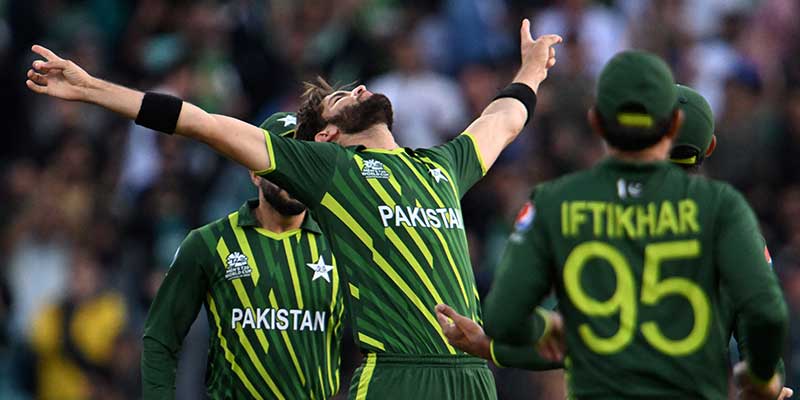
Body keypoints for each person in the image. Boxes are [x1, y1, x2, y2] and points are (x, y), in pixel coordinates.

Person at [24, 19, 562, 399]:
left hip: (473, 374)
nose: (358, 87)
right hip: (398, 377)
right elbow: (202, 123)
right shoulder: (330, 173)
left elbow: (505, 119)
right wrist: (93, 89)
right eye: (340, 97)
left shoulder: (441, 165)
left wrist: (532, 68)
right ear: (326, 135)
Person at [437, 51, 787, 399]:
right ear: (707, 145)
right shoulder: (728, 217)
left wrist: (492, 346)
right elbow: (764, 323)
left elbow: (529, 325)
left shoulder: (569, 206)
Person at [141, 113, 345, 399]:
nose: (295, 173)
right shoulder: (208, 244)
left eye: (303, 160)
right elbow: (161, 337)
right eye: (283, 160)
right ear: (254, 171)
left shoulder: (342, 245)